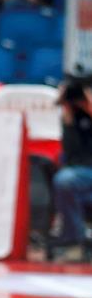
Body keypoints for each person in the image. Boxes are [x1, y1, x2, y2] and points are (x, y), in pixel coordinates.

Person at [51, 78, 92, 260]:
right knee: (65, 180)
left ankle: (75, 239)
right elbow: (71, 152)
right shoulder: (72, 116)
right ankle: (74, 240)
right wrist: (67, 118)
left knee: (66, 180)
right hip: (80, 171)